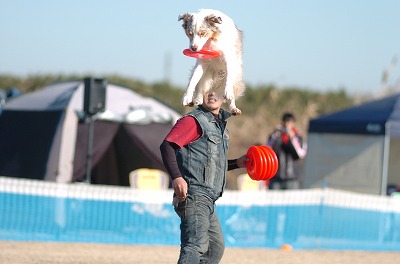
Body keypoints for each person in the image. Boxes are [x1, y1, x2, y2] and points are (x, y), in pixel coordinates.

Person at [160, 91, 247, 263]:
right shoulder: (193, 121)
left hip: (207, 200)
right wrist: (177, 177)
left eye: (218, 89)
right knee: (194, 245)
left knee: (215, 247)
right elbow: (167, 146)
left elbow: (212, 164)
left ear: (227, 95)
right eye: (207, 88)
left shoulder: (220, 126)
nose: (212, 93)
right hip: (194, 195)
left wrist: (238, 163)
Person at [267, 112, 307, 190]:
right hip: (276, 177)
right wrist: (275, 135)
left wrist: (292, 138)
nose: (287, 125)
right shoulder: (276, 136)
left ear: (294, 124)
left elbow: (300, 154)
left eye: (290, 122)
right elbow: (268, 150)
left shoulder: (298, 137)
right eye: (286, 122)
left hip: (291, 178)